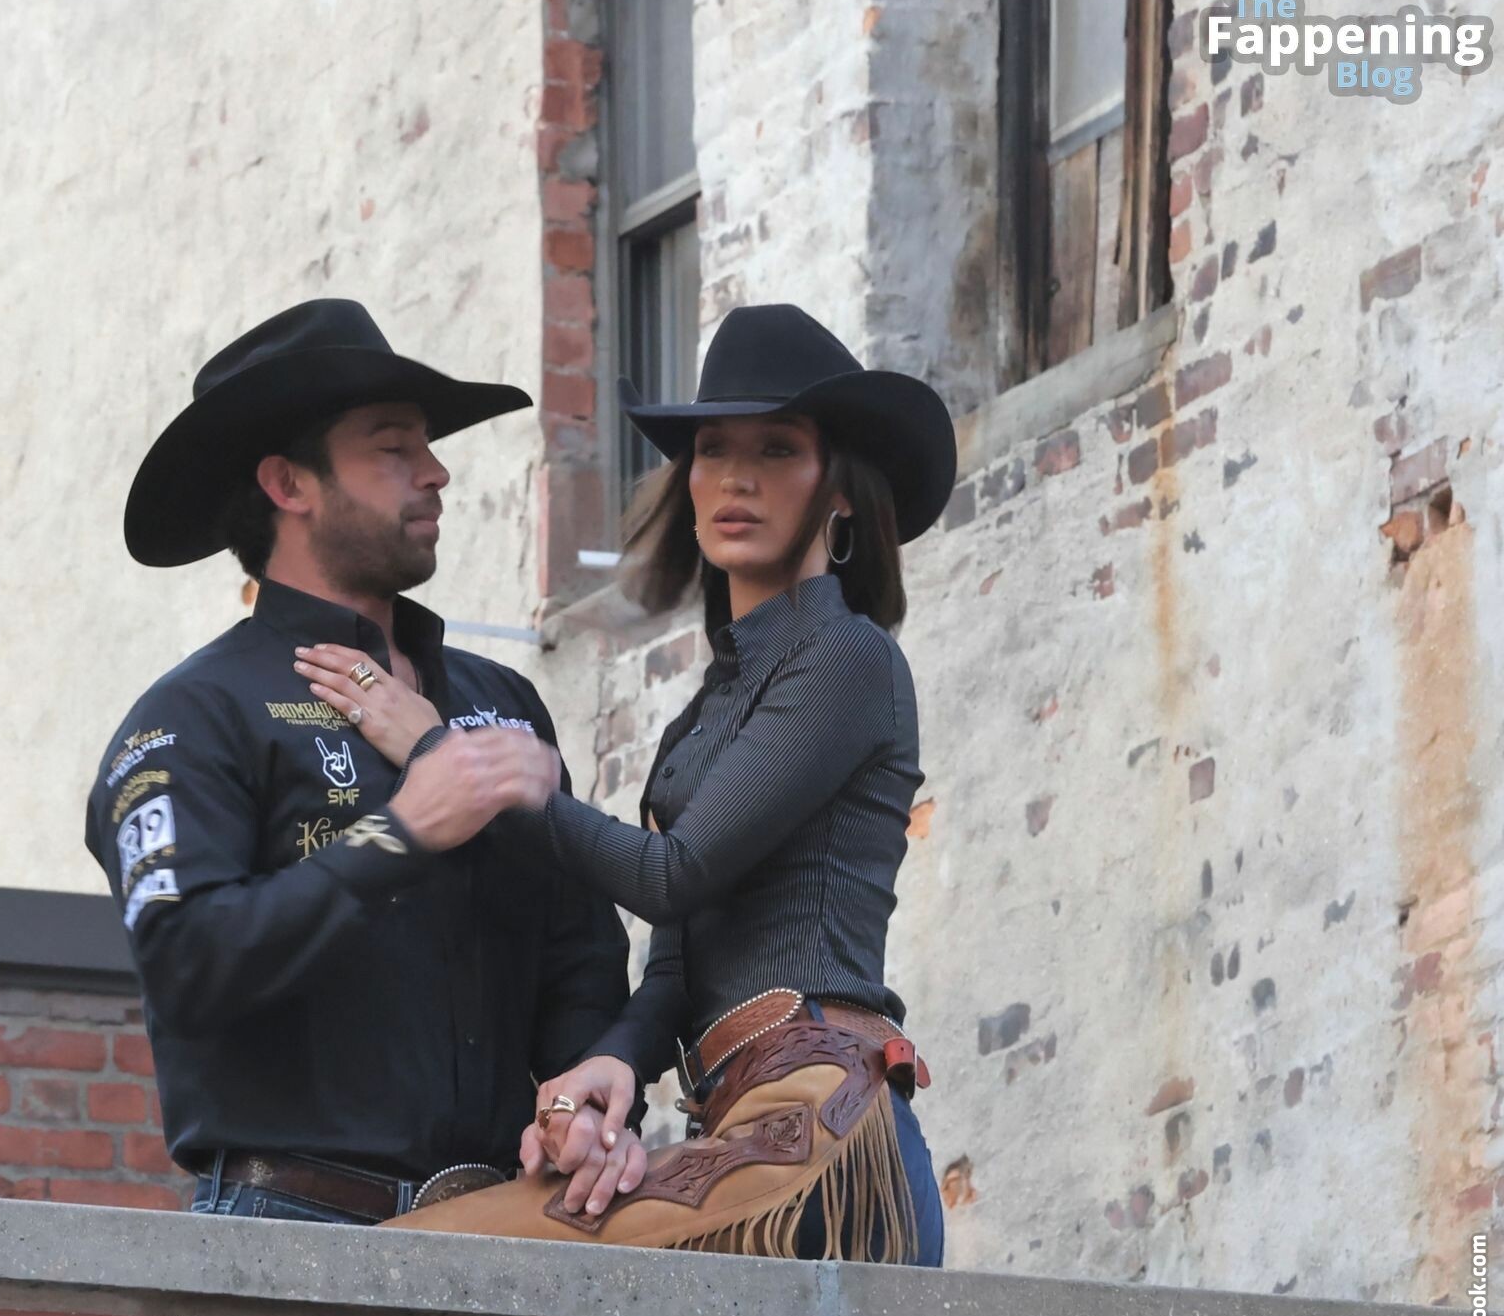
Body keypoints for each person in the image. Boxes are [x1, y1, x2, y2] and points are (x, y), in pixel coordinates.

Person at [345, 304, 954, 1263]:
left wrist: (456, 763)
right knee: (448, 1251)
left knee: (428, 1257)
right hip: (741, 1120)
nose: (736, 479)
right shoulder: (706, 711)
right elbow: (676, 963)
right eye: (712, 451)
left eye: (778, 449)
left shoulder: (848, 657)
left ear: (840, 489)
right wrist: (616, 1061)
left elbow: (672, 875)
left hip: (824, 1131)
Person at [86, 298, 631, 1225]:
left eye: (429, 447)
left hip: (513, 1226)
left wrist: (588, 1101)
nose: (437, 472)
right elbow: (187, 968)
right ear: (288, 484)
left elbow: (581, 953)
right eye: (393, 448)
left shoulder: (500, 699)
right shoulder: (191, 716)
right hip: (290, 1229)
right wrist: (403, 831)